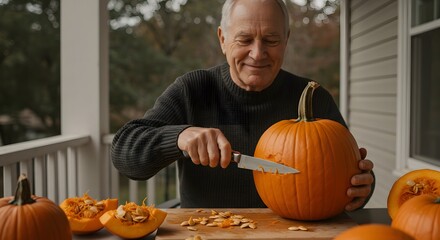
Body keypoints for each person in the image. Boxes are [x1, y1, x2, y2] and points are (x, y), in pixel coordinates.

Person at [111, 0, 375, 211]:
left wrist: (361, 188)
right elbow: (125, 155)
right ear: (223, 39)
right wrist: (179, 136)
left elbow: (346, 173)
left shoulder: (312, 97)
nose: (258, 54)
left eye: (271, 40)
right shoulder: (193, 89)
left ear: (286, 39)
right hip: (207, 233)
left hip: (292, 233)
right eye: (245, 39)